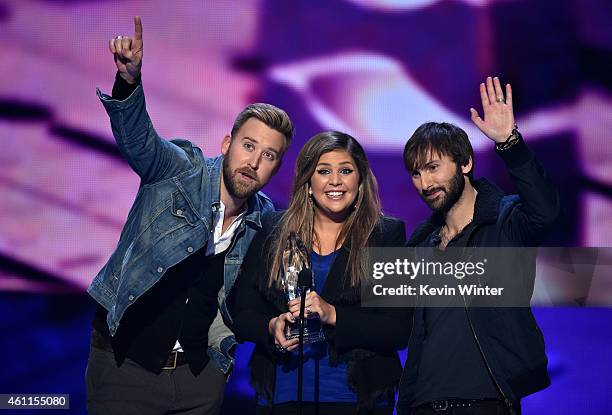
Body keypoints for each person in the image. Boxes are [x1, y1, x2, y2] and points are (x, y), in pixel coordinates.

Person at [85, 16, 294, 415]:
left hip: (200, 381)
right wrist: (128, 83)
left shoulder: (264, 221)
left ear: (276, 167)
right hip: (124, 368)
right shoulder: (179, 172)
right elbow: (139, 140)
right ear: (227, 142)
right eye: (248, 146)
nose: (254, 162)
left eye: (268, 155)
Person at [396, 77, 560, 415]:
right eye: (415, 173)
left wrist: (510, 144)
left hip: (487, 402)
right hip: (423, 406)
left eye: (432, 167)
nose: (425, 183)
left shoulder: (505, 222)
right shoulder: (419, 248)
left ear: (465, 163)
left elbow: (546, 212)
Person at [229, 131, 412, 415]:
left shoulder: (385, 235)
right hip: (283, 397)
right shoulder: (273, 230)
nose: (335, 181)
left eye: (346, 171)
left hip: (356, 400)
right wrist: (272, 326)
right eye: (323, 171)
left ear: (360, 181)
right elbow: (242, 313)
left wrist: (333, 315)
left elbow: (398, 329)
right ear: (308, 182)